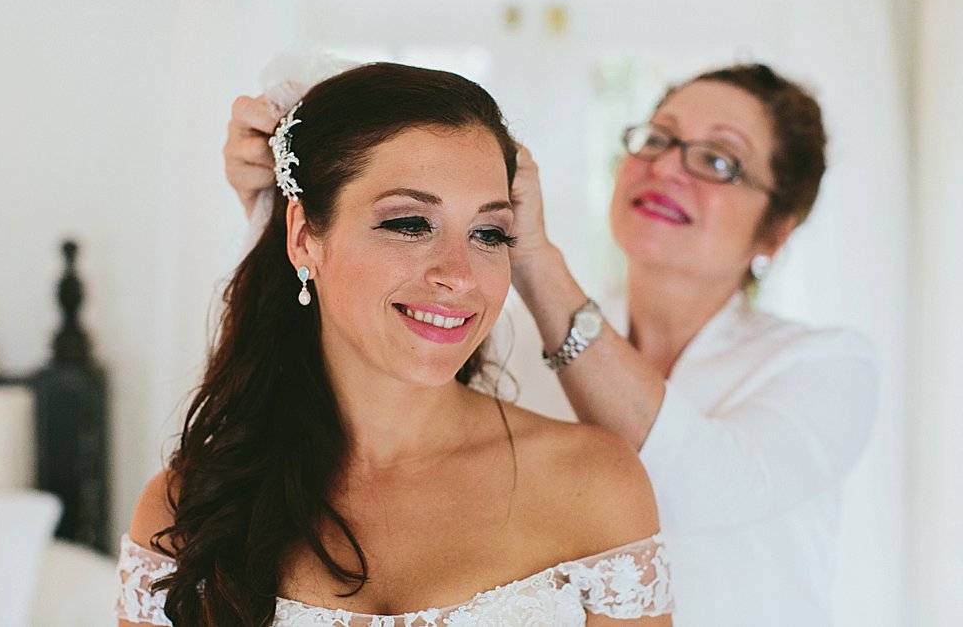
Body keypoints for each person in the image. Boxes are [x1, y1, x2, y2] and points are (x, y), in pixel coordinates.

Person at [223, 61, 877, 627]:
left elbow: (701, 490)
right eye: (658, 138)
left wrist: (532, 256)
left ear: (776, 231)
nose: (667, 167)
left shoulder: (825, 364)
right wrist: (293, 178)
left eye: (717, 160)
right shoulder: (505, 341)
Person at [118, 62, 674, 627]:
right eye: (410, 223)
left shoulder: (596, 485)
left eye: (489, 233)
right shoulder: (183, 515)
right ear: (305, 237)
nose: (459, 276)